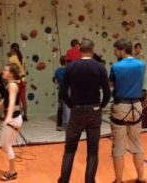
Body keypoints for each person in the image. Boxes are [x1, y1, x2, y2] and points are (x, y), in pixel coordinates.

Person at [58, 38, 111, 183]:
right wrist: (101, 106)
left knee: (69, 150)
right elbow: (107, 93)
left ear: (79, 51)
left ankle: (64, 180)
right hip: (94, 110)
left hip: (77, 111)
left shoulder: (70, 67)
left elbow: (62, 93)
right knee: (93, 151)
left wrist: (71, 105)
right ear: (93, 50)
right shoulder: (100, 67)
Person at [109, 39, 146, 183]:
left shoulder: (116, 66)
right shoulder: (141, 65)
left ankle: (118, 180)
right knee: (136, 144)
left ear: (122, 50)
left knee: (118, 145)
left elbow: (111, 84)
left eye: (116, 50)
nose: (114, 53)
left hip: (121, 106)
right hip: (137, 106)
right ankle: (141, 178)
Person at [0, 64, 23, 181]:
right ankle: (12, 170)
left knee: (8, 146)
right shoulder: (9, 85)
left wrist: (8, 117)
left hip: (14, 120)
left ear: (11, 74)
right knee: (4, 145)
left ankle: (12, 172)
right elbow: (6, 98)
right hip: (11, 120)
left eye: (5, 70)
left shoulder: (13, 86)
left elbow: (12, 102)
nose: (3, 72)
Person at [7, 43, 28, 120]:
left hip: (16, 81)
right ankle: (25, 115)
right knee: (23, 99)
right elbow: (24, 69)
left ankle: (17, 115)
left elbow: (11, 71)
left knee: (16, 99)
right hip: (23, 80)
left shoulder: (11, 58)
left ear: (12, 49)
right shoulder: (22, 58)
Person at [53, 55, 68, 131]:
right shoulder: (69, 69)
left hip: (61, 90)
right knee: (70, 107)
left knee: (60, 107)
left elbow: (56, 81)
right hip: (68, 90)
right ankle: (69, 124)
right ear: (66, 62)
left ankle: (59, 125)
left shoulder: (57, 71)